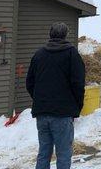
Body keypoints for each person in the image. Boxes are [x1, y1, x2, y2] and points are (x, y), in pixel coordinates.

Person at [26, 22, 85, 169]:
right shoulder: (72, 54)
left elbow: (29, 82)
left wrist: (41, 100)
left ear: (50, 34)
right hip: (63, 113)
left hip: (42, 113)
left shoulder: (39, 54)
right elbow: (78, 84)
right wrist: (77, 106)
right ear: (66, 35)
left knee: (44, 153)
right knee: (64, 154)